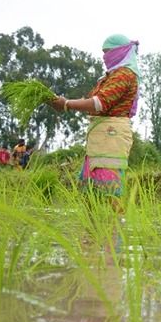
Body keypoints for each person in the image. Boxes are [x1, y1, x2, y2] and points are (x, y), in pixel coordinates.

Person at [49, 34, 139, 249]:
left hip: (112, 137)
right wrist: (64, 102)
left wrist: (67, 104)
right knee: (90, 190)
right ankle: (91, 241)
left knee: (110, 189)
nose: (104, 57)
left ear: (120, 52)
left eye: (107, 52)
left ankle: (115, 243)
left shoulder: (125, 75)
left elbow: (99, 103)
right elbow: (92, 101)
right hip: (99, 138)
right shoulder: (108, 77)